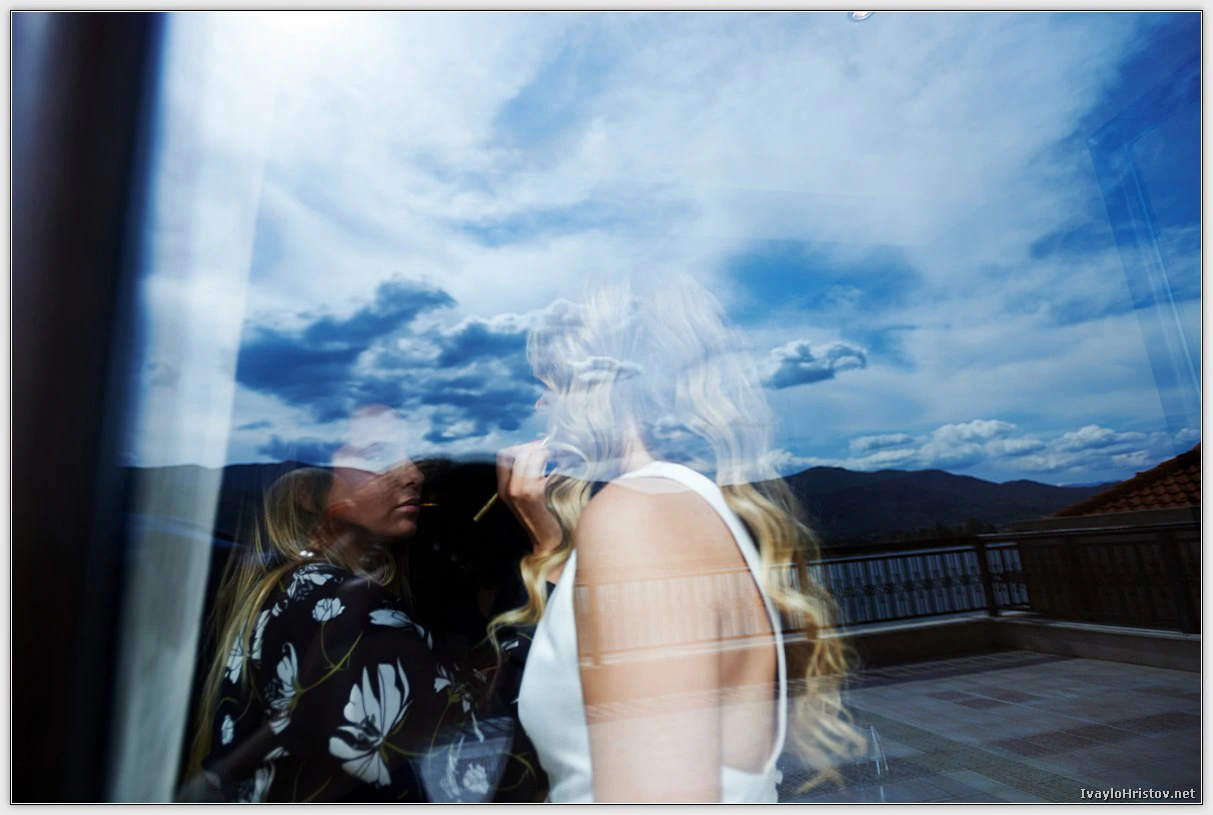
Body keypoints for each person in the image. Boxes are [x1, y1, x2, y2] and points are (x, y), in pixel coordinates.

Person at [489, 277, 866, 802]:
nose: (539, 403)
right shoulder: (675, 504)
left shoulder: (642, 515)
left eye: (551, 382)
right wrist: (547, 539)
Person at [182, 416, 538, 803]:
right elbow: (493, 773)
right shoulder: (332, 606)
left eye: (410, 456)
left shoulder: (297, 591)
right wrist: (547, 561)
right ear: (307, 492)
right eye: (378, 456)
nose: (414, 474)